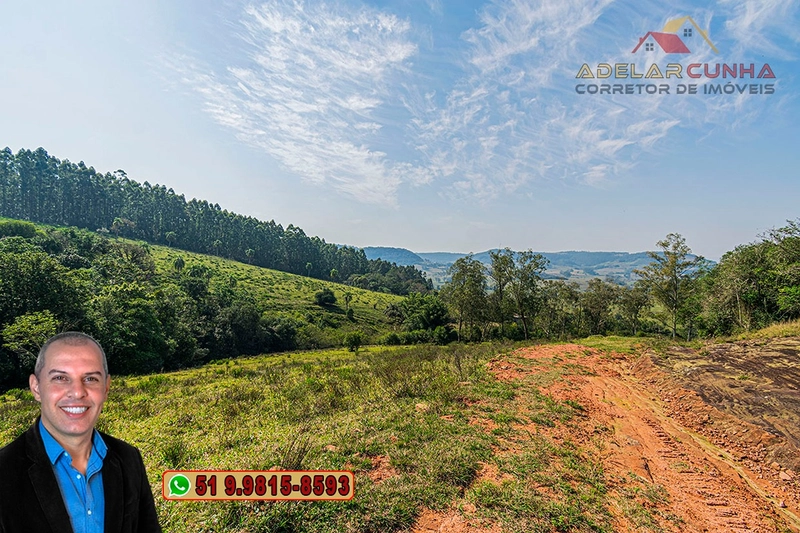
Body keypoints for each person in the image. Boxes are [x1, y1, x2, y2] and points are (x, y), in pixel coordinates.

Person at [0, 332, 162, 533]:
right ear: (36, 387)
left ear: (106, 388)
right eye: (60, 378)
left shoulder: (129, 458)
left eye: (91, 378)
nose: (77, 392)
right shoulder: (4, 470)